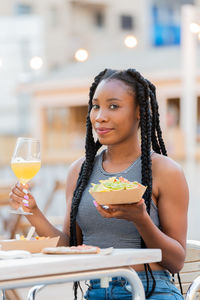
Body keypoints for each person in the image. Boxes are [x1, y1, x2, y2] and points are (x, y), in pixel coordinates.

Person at [10, 68, 189, 299]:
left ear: (139, 112)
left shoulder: (166, 171)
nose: (100, 116)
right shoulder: (79, 171)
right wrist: (32, 212)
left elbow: (176, 262)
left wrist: (140, 218)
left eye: (113, 106)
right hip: (96, 291)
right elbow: (70, 246)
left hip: (150, 290)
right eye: (96, 106)